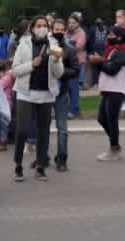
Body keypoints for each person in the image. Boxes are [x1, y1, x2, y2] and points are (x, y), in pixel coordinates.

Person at [11, 15, 65, 182]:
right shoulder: (24, 44)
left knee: (44, 132)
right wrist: (31, 65)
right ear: (32, 28)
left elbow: (59, 73)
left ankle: (41, 167)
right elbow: (15, 70)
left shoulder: (54, 45)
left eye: (44, 25)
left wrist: (56, 60)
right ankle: (18, 165)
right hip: (25, 93)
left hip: (46, 94)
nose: (42, 28)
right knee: (22, 130)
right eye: (38, 25)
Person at [95, 26, 125, 162]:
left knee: (111, 120)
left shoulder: (122, 52)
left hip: (116, 90)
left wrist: (99, 62)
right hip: (108, 89)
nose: (108, 36)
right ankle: (115, 145)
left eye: (111, 34)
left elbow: (112, 70)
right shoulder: (111, 50)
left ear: (119, 37)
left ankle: (114, 149)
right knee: (102, 118)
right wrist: (100, 61)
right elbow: (107, 65)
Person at [49, 19, 80, 171]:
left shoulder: (70, 49)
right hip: (46, 92)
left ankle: (62, 158)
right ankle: (43, 157)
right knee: (43, 127)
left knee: (62, 128)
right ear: (51, 30)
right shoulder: (45, 47)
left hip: (61, 92)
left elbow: (75, 70)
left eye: (62, 29)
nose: (59, 32)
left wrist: (60, 73)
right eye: (56, 29)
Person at [66, 13, 87, 116]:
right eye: (69, 23)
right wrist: (70, 42)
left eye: (73, 23)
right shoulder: (67, 32)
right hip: (67, 63)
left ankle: (75, 109)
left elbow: (78, 47)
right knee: (67, 88)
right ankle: (69, 108)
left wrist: (68, 43)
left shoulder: (81, 33)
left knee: (74, 87)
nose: (71, 25)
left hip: (77, 62)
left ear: (78, 23)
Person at [0, 60, 14, 152]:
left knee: (4, 125)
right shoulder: (0, 77)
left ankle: (3, 142)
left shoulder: (7, 77)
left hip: (6, 104)